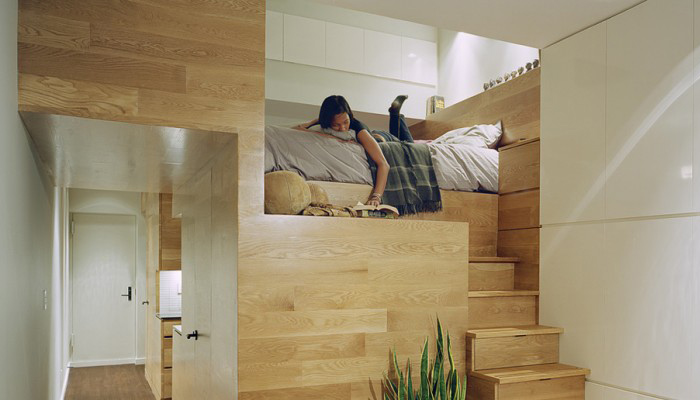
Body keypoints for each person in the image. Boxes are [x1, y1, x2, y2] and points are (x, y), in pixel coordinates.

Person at [295, 95, 413, 206]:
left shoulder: (359, 130)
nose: (343, 128)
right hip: (373, 134)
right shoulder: (325, 120)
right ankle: (395, 114)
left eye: (346, 122)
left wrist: (376, 197)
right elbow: (299, 128)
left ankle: (395, 114)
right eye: (336, 125)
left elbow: (384, 164)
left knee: (408, 146)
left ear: (349, 115)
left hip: (381, 139)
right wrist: (309, 126)